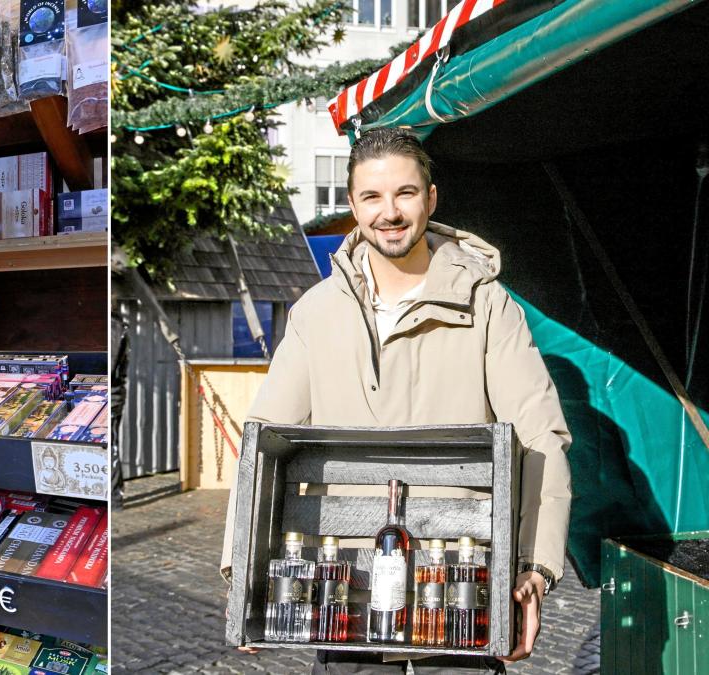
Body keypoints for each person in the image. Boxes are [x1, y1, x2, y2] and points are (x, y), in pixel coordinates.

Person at [222, 127, 572, 673]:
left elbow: (538, 437)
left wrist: (534, 567)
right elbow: (265, 438)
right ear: (353, 206)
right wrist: (241, 569)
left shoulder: (487, 306)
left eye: (405, 193)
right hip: (347, 590)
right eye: (372, 196)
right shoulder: (317, 312)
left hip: (456, 587)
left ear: (431, 199)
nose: (390, 211)